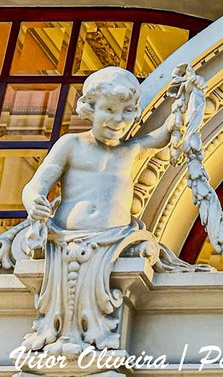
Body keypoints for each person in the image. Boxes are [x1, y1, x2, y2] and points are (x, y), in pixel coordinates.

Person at [19, 66, 176, 356]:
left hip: (113, 244)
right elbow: (36, 185)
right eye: (109, 110)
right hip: (66, 243)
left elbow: (162, 135)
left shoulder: (130, 150)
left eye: (127, 111)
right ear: (89, 109)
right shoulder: (71, 144)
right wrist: (34, 201)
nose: (118, 120)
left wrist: (186, 100)